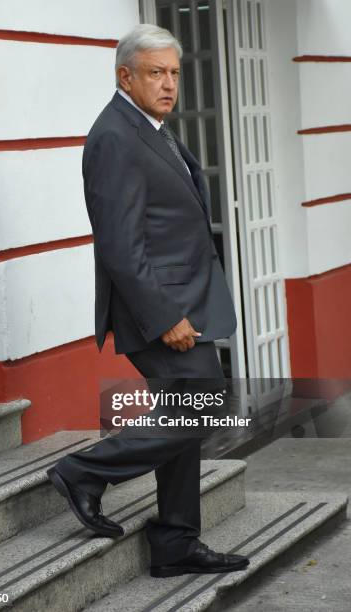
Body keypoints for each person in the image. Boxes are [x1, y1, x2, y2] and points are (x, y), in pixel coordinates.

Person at [47, 23, 249, 578]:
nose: (168, 84)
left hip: (183, 301)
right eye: (155, 73)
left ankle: (176, 542)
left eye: (174, 73)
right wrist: (165, 318)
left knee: (186, 413)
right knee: (203, 406)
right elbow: (119, 243)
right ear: (125, 76)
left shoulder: (153, 129)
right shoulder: (114, 135)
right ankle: (85, 471)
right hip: (156, 310)